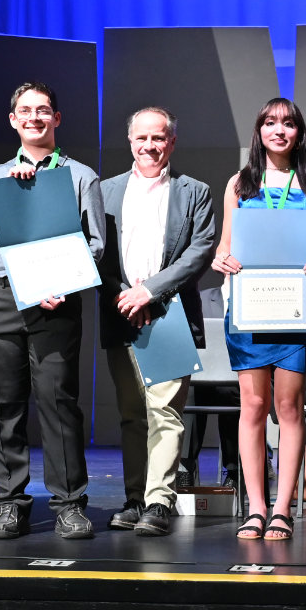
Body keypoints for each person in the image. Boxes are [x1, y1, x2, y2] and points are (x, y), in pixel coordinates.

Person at [0, 82, 107, 540]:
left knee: (58, 401)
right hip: (2, 295)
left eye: (43, 111)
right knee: (3, 403)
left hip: (55, 300)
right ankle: (10, 504)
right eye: (25, 111)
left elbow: (96, 244)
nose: (34, 118)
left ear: (57, 120)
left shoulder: (80, 175)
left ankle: (68, 504)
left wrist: (58, 283)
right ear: (13, 120)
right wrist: (8, 193)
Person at [210, 98, 306, 541]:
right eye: (269, 122)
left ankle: (283, 508)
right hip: (250, 309)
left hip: (294, 309)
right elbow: (224, 246)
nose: (278, 130)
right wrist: (222, 260)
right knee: (253, 406)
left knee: (288, 408)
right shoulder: (240, 183)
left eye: (287, 123)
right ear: (258, 130)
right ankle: (256, 508)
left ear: (299, 132)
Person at [99, 107, 216, 538]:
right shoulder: (105, 190)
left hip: (171, 316)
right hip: (120, 312)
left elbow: (200, 250)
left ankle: (158, 501)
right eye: (141, 138)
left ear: (172, 141)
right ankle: (133, 499)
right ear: (130, 141)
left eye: (159, 138)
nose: (150, 146)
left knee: (165, 413)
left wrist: (151, 292)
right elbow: (96, 251)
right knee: (132, 414)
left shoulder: (195, 191)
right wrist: (125, 294)